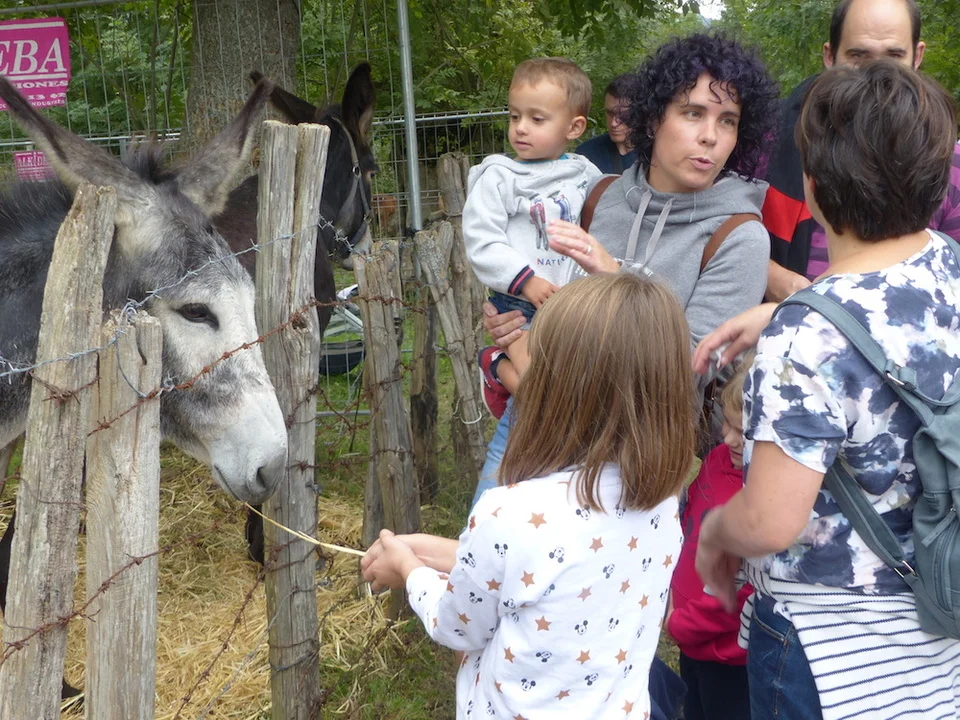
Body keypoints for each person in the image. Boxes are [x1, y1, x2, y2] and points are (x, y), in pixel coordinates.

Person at [695, 61, 960, 720]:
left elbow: (772, 520)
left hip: (830, 652)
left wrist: (716, 531)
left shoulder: (804, 338)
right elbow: (885, 309)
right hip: (940, 621)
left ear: (811, 187)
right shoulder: (948, 264)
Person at [361, 273, 696, 720]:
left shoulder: (508, 512)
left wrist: (409, 569)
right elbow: (560, 567)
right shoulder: (662, 503)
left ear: (556, 389)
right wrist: (434, 550)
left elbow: (457, 627)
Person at [474, 33, 779, 508]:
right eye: (693, 113)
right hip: (537, 428)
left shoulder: (738, 236)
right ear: (654, 118)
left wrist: (614, 276)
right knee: (485, 549)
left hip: (631, 468)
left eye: (728, 121)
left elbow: (686, 373)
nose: (710, 136)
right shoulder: (599, 197)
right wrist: (513, 326)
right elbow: (554, 308)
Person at [763, 0, 960, 302]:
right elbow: (717, 223)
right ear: (830, 56)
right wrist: (771, 276)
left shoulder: (948, 162)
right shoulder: (769, 140)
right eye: (859, 56)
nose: (876, 74)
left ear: (917, 56)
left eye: (894, 56)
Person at [462, 57, 601, 419]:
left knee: (571, 393)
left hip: (571, 306)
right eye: (514, 116)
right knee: (542, 396)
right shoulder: (500, 177)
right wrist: (526, 281)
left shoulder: (586, 174)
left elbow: (599, 225)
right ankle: (495, 366)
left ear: (574, 127)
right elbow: (482, 240)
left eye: (537, 119)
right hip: (519, 304)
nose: (520, 128)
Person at [665, 355, 754, 720]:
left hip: (728, 656)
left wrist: (679, 624)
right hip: (689, 637)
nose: (727, 437)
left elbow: (740, 590)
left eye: (743, 432)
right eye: (726, 423)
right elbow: (689, 521)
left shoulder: (760, 498)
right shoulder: (719, 459)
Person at [576, 74, 639, 174]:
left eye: (623, 115)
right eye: (610, 113)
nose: (614, 123)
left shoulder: (656, 155)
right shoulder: (587, 153)